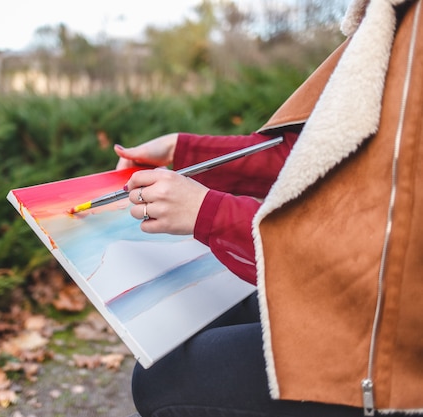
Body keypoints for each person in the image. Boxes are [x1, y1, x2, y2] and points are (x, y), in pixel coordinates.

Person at [115, 0, 423, 416]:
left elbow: (397, 250)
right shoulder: (395, 16)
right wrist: (181, 149)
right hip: (374, 307)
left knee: (164, 382)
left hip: (401, 345)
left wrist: (210, 213)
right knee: (206, 323)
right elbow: (321, 152)